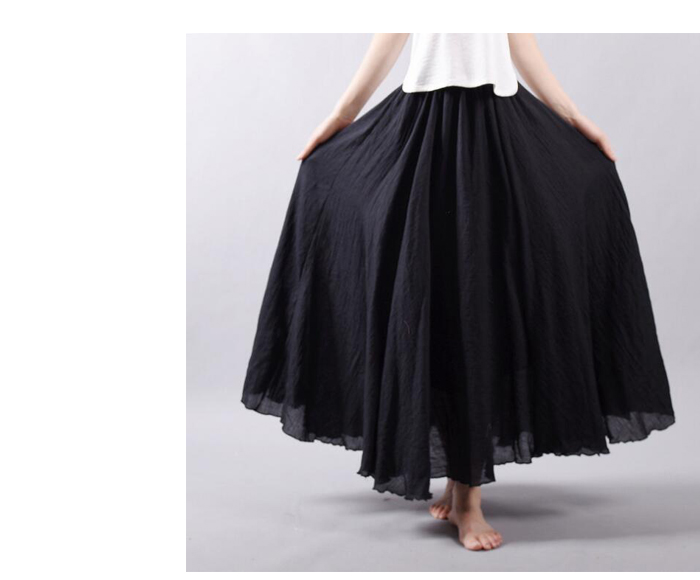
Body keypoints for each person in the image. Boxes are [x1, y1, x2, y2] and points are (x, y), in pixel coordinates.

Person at [241, 33, 676, 552]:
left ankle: (466, 493)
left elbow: (517, 39)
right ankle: (460, 485)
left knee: (478, 302)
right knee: (443, 301)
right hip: (426, 132)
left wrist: (574, 117)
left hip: (496, 133)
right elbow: (391, 36)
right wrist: (340, 118)